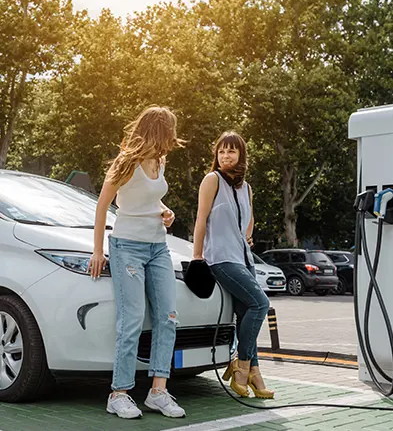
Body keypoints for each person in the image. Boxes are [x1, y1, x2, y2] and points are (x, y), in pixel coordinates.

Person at [88, 106, 186, 419]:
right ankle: (118, 393)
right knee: (132, 319)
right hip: (127, 246)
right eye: (169, 131)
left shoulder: (160, 160)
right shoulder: (125, 162)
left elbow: (148, 198)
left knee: (168, 317)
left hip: (158, 246)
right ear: (158, 130)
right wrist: (98, 250)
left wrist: (165, 210)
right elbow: (103, 206)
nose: (172, 138)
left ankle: (158, 391)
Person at [192, 131, 274, 399]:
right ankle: (243, 366)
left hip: (244, 258)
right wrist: (197, 256)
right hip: (221, 257)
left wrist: (247, 235)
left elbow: (248, 220)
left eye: (232, 151)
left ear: (241, 155)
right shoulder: (211, 180)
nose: (226, 156)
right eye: (221, 152)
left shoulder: (246, 187)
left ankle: (253, 373)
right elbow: (201, 219)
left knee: (247, 316)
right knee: (260, 304)